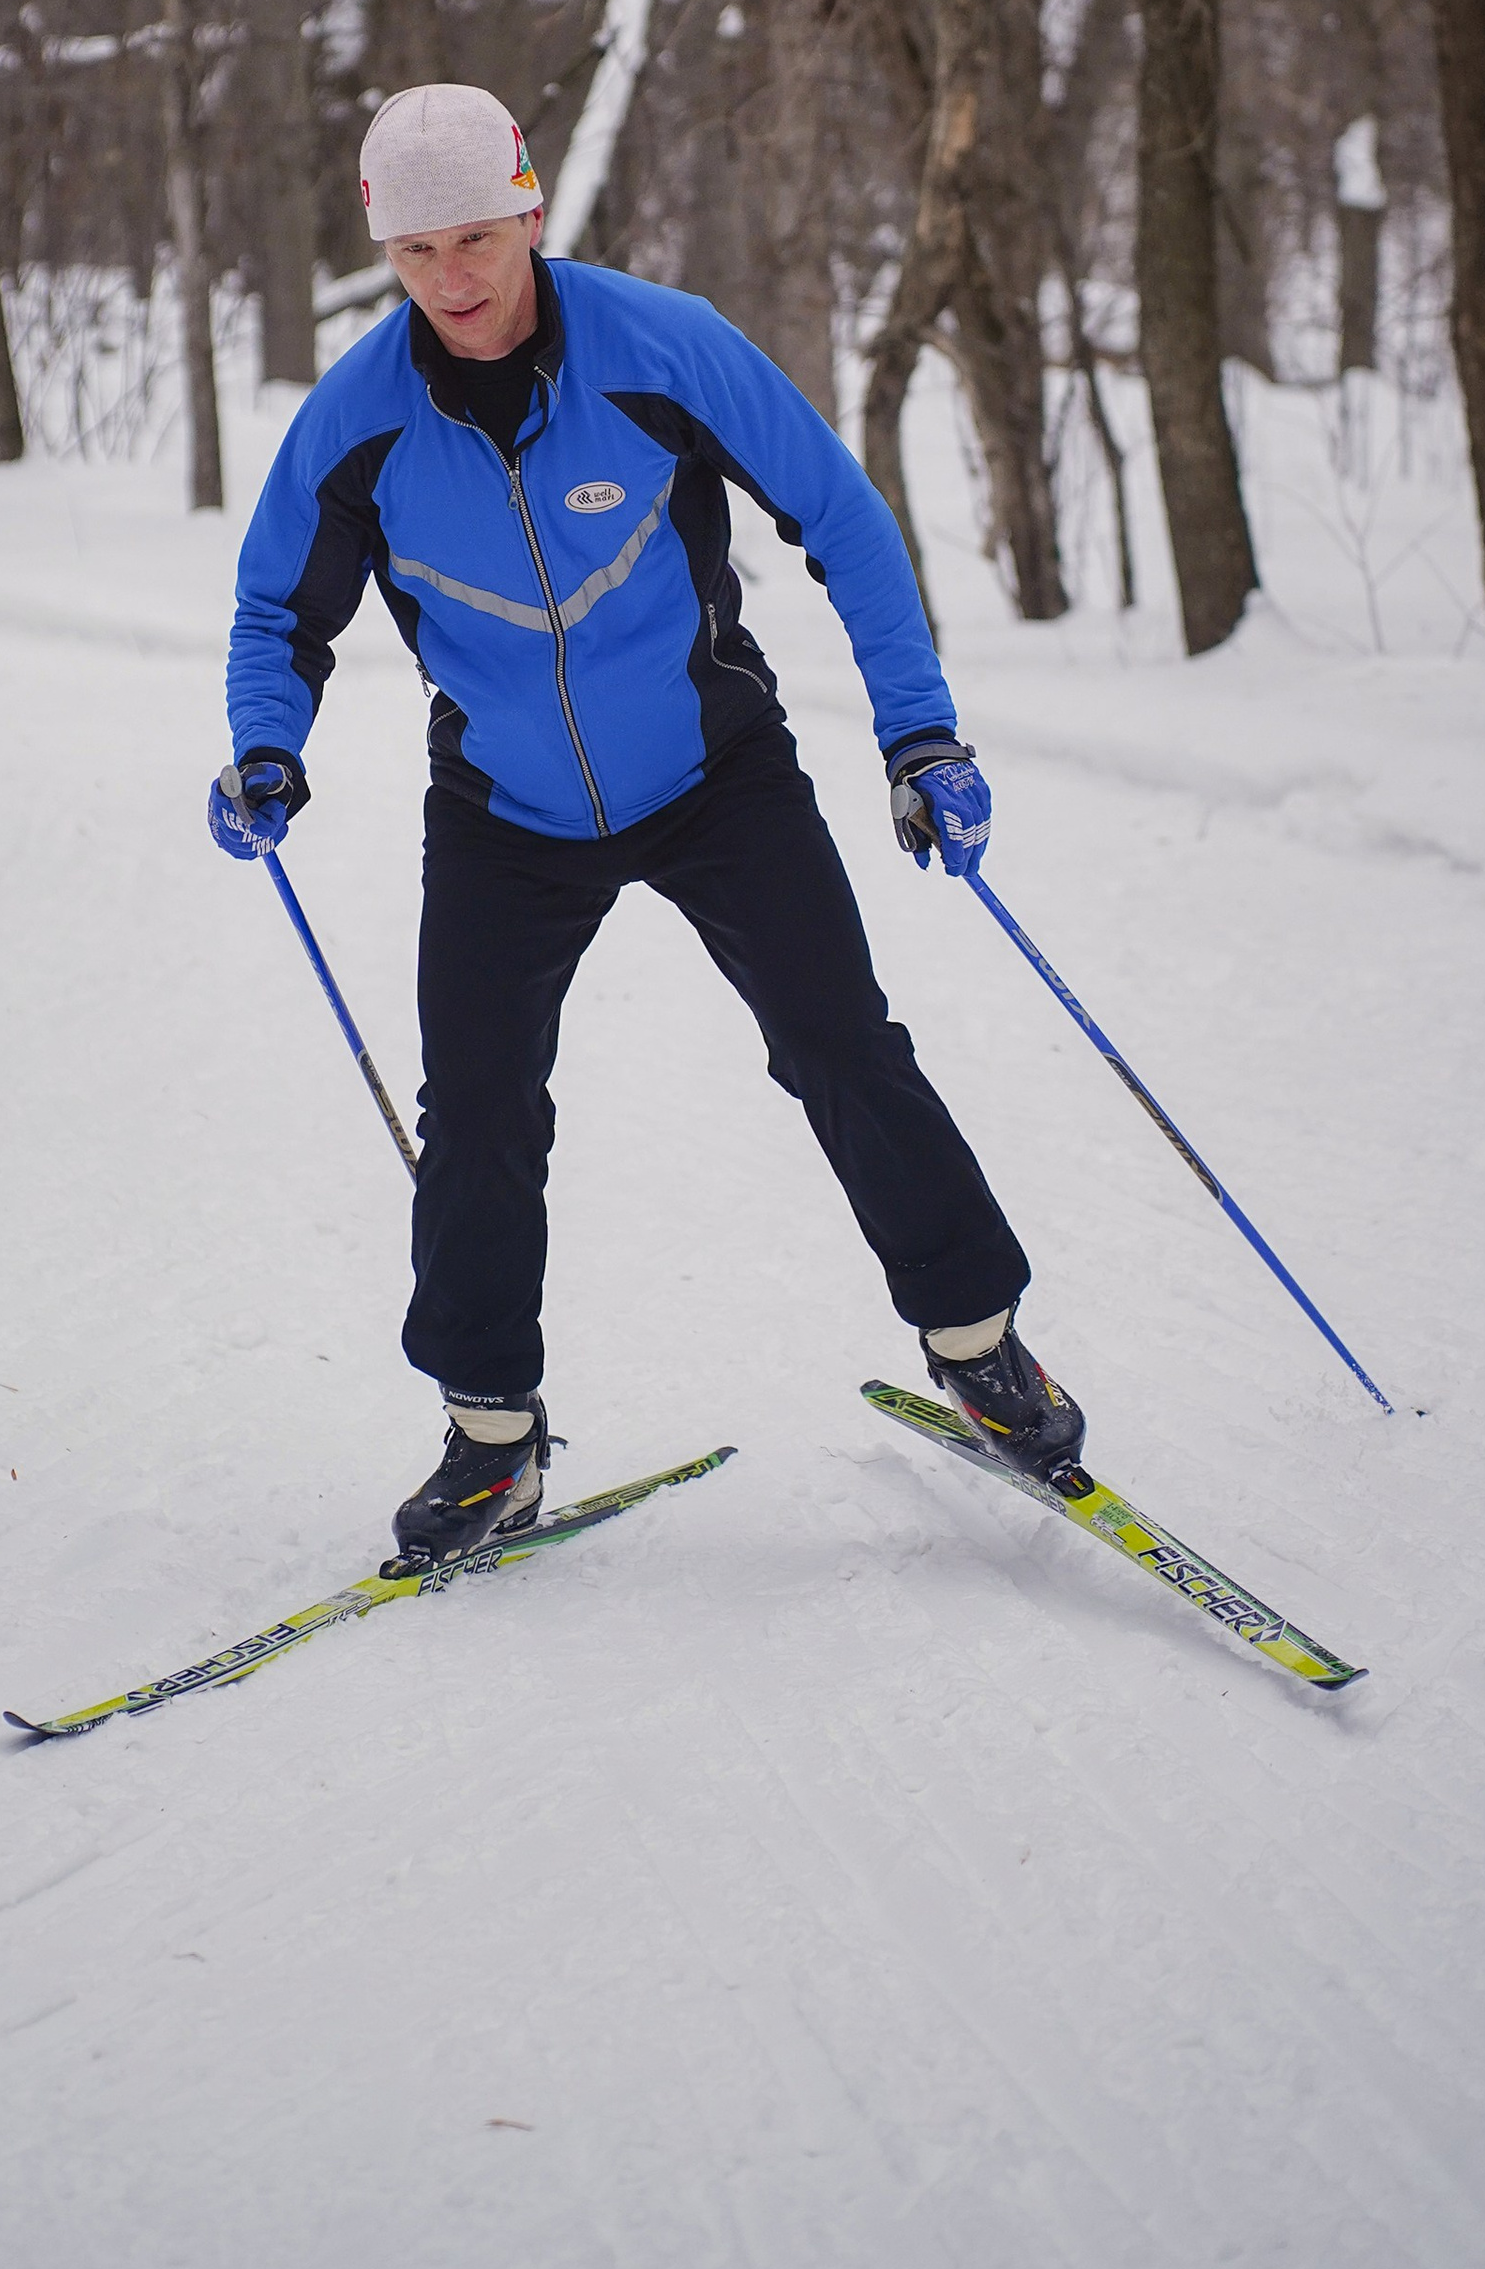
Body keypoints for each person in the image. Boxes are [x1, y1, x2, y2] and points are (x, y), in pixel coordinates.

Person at [209, 82, 1080, 1567]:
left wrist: (918, 728)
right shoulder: (356, 421)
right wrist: (265, 750)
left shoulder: (659, 346)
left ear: (532, 212)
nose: (454, 281)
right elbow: (276, 611)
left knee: (839, 1046)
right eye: (417, 254)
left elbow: (843, 517)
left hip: (713, 770)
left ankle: (979, 1342)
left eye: (478, 237)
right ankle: (491, 1439)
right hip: (502, 807)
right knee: (479, 1110)